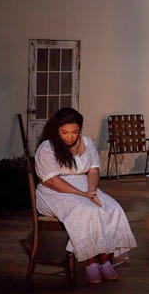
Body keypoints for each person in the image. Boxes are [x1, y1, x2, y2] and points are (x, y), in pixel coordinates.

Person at [35, 108, 137, 283]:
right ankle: (91, 263)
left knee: (111, 207)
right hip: (55, 192)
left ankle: (105, 261)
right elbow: (52, 181)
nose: (70, 136)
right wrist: (82, 194)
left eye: (74, 132)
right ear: (56, 130)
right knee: (87, 210)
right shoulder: (47, 147)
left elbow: (93, 171)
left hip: (84, 186)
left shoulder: (87, 143)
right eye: (65, 132)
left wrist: (91, 191)